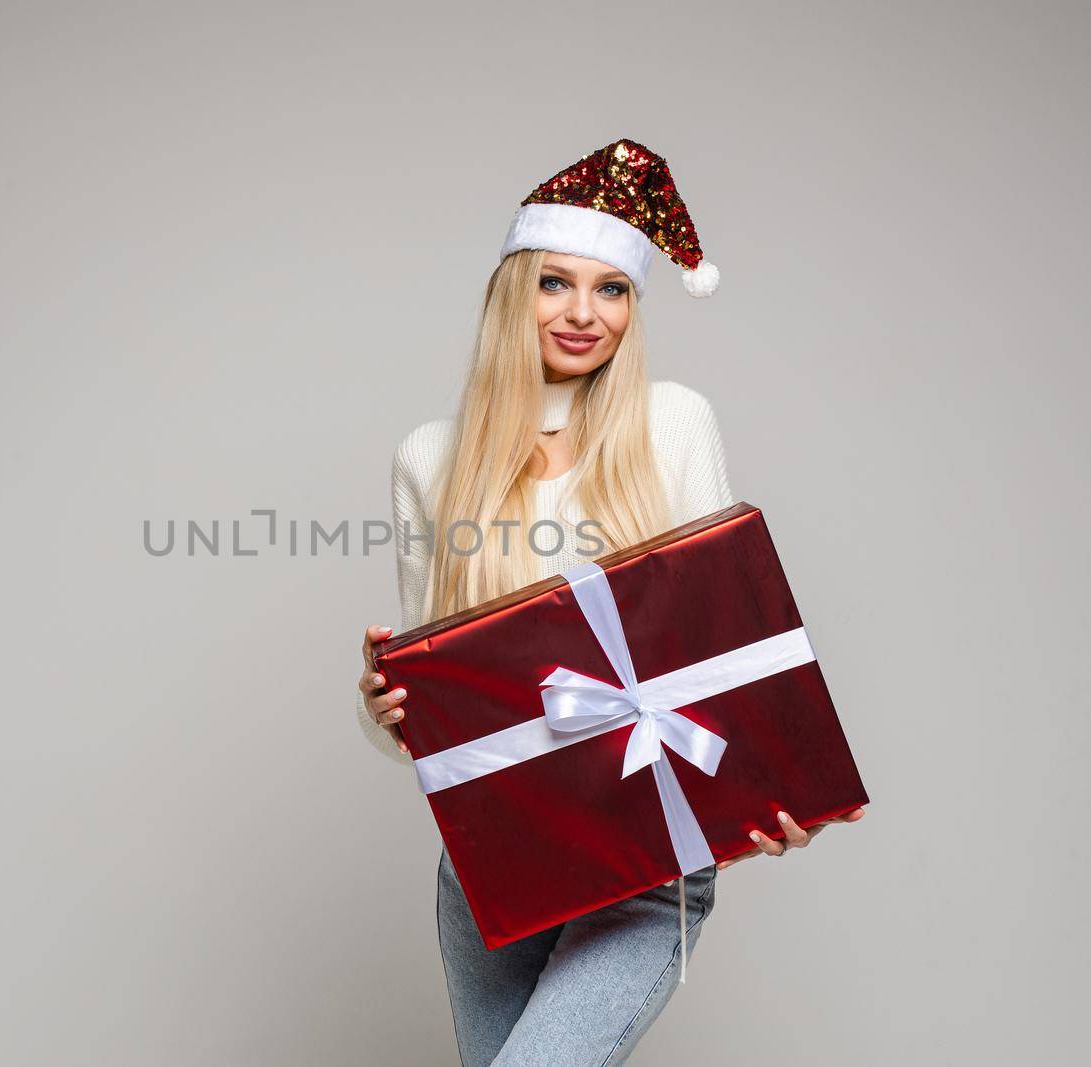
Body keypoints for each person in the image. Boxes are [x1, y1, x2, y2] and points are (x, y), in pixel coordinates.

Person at [353, 140, 864, 1066]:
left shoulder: (673, 422)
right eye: (556, 283)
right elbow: (442, 707)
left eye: (614, 288)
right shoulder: (430, 457)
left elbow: (732, 642)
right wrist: (383, 707)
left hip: (646, 858)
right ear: (516, 293)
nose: (585, 313)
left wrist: (773, 790)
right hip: (494, 869)